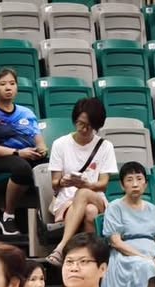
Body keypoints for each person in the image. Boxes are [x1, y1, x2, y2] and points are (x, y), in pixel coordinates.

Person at [45, 98, 118, 268]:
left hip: (96, 197)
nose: (84, 129)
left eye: (89, 126)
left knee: (85, 194)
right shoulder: (60, 144)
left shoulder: (105, 146)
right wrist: (65, 181)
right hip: (67, 200)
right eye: (80, 123)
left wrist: (85, 185)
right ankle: (88, 260)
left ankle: (61, 248)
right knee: (90, 212)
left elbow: (103, 184)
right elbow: (55, 183)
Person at [0, 68, 48, 237]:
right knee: (22, 168)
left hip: (27, 155)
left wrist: (42, 150)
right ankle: (8, 216)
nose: (8, 87)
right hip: (0, 160)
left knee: (53, 167)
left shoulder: (27, 113)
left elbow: (40, 141)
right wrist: (18, 152)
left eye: (12, 83)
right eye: (3, 84)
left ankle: (48, 216)